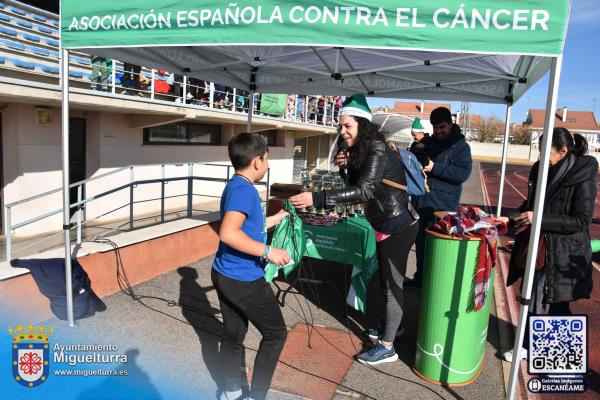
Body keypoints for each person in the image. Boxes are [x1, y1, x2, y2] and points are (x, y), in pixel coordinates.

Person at [289, 94, 419, 365]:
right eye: (340, 126)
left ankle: (388, 347)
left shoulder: (377, 148)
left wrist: (318, 198)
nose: (342, 131)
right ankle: (394, 328)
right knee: (384, 282)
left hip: (397, 225)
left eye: (348, 126)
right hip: (385, 224)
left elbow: (363, 191)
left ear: (362, 124)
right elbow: (359, 183)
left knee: (391, 286)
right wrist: (345, 169)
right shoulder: (363, 148)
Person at [501, 128, 597, 362]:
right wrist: (511, 218)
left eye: (545, 150)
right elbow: (530, 204)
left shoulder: (582, 175)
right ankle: (528, 346)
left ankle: (557, 355)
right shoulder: (538, 169)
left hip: (566, 250)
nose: (540, 155)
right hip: (540, 245)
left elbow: (581, 219)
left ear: (563, 151)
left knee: (557, 302)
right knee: (532, 295)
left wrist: (538, 218)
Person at [212, 133, 290, 400]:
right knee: (276, 334)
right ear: (257, 161)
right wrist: (269, 251)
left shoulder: (236, 185)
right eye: (267, 158)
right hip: (243, 279)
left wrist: (276, 218)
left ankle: (232, 392)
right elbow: (229, 233)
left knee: (233, 334)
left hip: (225, 272)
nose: (267, 164)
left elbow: (248, 228)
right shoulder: (244, 191)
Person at [406, 107, 472, 288]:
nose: (438, 131)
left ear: (451, 124)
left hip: (444, 207)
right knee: (421, 245)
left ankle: (438, 285)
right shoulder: (428, 142)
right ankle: (420, 279)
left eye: (442, 127)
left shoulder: (461, 147)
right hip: (422, 202)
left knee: (440, 248)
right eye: (435, 128)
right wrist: (416, 150)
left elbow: (463, 173)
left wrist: (435, 167)